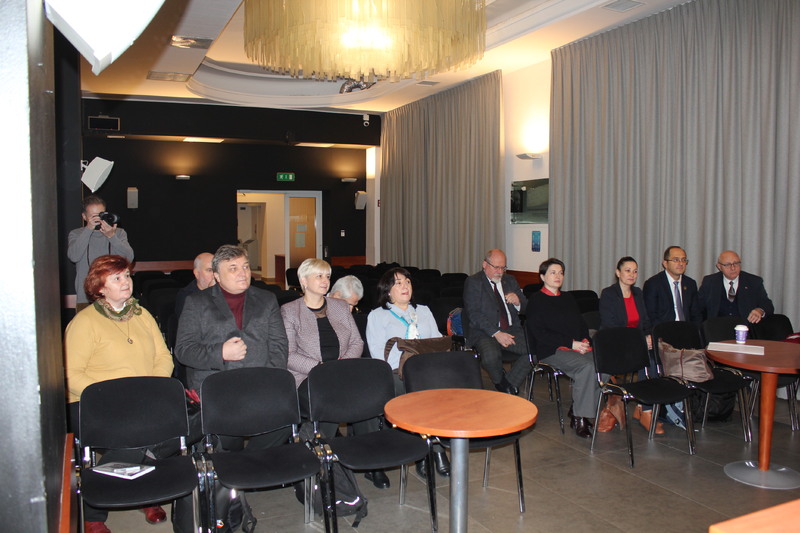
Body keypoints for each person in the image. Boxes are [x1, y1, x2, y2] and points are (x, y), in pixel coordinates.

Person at [64, 255, 173, 533]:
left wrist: (151, 389)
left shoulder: (142, 314)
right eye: (117, 278)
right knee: (137, 436)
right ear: (100, 288)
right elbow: (71, 375)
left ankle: (141, 491)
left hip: (143, 399)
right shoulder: (84, 323)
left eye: (127, 275)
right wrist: (114, 398)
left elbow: (164, 357)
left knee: (183, 425)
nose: (126, 282)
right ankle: (94, 514)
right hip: (94, 404)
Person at [282, 260, 389, 488]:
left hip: (342, 371)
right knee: (330, 396)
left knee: (367, 396)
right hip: (309, 376)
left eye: (327, 276)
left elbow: (356, 341)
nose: (324, 281)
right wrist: (321, 368)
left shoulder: (339, 307)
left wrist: (342, 367)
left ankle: (370, 463)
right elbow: (288, 354)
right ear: (303, 281)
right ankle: (324, 462)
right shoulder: (290, 311)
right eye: (318, 276)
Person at [175, 245, 289, 448]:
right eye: (233, 268)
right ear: (217, 276)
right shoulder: (196, 302)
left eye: (245, 267)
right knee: (226, 444)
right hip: (218, 388)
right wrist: (221, 352)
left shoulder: (266, 299)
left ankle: (253, 467)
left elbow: (279, 345)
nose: (242, 273)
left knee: (286, 419)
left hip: (260, 383)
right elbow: (184, 350)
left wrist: (268, 378)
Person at [366, 267, 450, 477]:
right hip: (396, 372)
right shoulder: (378, 316)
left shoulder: (423, 311)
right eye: (398, 283)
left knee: (442, 393)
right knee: (418, 397)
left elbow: (437, 341)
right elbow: (377, 354)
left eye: (408, 282)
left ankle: (436, 449)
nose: (405, 287)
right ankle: (426, 452)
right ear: (387, 291)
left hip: (427, 370)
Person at [526, 258, 599, 439]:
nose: (558, 276)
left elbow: (581, 324)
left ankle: (577, 409)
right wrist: (571, 344)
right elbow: (540, 333)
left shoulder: (568, 297)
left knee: (602, 366)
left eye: (561, 273)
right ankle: (580, 417)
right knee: (587, 368)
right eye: (553, 272)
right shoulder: (536, 300)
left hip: (574, 346)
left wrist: (584, 341)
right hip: (550, 350)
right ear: (542, 276)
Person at [599, 257, 663, 434]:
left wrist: (649, 337)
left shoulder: (638, 293)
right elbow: (611, 327)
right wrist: (641, 341)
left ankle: (644, 408)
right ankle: (646, 411)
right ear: (618, 273)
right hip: (616, 344)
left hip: (637, 344)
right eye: (627, 270)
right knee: (647, 360)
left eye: (635, 271)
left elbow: (646, 322)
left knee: (656, 357)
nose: (632, 274)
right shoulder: (609, 294)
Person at [462, 249, 529, 395]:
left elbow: (526, 307)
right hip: (485, 332)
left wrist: (518, 302)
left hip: (512, 330)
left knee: (535, 351)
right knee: (490, 358)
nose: (500, 271)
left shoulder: (510, 280)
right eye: (496, 267)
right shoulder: (474, 282)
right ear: (485, 264)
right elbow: (474, 314)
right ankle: (501, 382)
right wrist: (496, 333)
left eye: (503, 268)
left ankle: (507, 384)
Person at [67, 195, 134, 311]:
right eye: (93, 216)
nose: (98, 219)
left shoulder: (118, 233)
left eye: (101, 214)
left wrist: (112, 237)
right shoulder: (76, 234)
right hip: (86, 298)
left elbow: (129, 257)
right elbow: (73, 256)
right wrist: (88, 229)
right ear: (84, 216)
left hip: (115, 296)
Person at [698, 250, 774, 323]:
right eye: (727, 265)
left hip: (746, 329)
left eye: (736, 263)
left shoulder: (753, 282)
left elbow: (768, 305)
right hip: (717, 330)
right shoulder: (710, 282)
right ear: (719, 267)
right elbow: (698, 308)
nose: (733, 268)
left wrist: (759, 311)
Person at [643, 246, 703, 326]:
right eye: (676, 260)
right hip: (664, 330)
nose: (681, 263)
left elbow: (696, 314)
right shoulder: (653, 284)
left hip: (687, 331)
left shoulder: (690, 283)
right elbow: (650, 315)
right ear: (665, 263)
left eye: (684, 260)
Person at [174, 252, 215, 317]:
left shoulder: (226, 289)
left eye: (216, 270)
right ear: (197, 273)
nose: (214, 274)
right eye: (209, 270)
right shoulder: (186, 296)